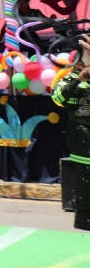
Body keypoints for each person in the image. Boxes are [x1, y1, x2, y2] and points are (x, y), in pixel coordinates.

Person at [52, 33, 90, 231]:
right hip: (81, 136)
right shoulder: (70, 79)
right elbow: (57, 98)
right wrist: (78, 79)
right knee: (86, 179)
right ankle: (83, 220)